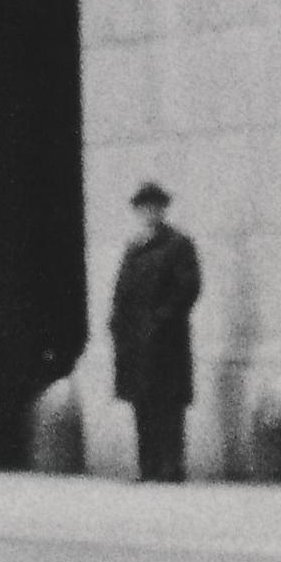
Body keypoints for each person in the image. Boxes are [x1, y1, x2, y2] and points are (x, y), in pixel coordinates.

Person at [107, 184, 202, 484]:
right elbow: (121, 292)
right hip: (135, 342)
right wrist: (117, 324)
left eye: (154, 206)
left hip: (165, 342)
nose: (149, 212)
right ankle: (147, 467)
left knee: (168, 404)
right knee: (142, 404)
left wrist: (162, 319)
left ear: (163, 209)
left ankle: (171, 468)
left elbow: (188, 287)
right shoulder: (133, 248)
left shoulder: (178, 244)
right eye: (143, 207)